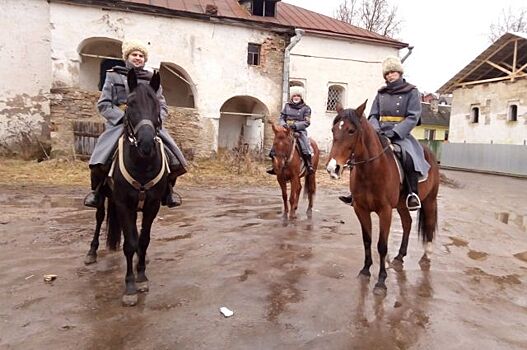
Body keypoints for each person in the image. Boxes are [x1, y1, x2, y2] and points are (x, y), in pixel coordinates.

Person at [84, 39, 187, 208]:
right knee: (102, 153)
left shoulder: (152, 79)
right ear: (127, 56)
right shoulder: (113, 75)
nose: (138, 58)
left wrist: (156, 121)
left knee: (173, 154)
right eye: (134, 54)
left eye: (141, 56)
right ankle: (97, 191)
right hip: (121, 123)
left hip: (147, 123)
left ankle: (168, 190)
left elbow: (162, 105)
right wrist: (122, 117)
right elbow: (104, 104)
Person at [338, 56, 430, 211]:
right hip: (379, 132)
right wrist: (376, 129)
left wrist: (396, 132)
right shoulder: (381, 93)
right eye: (387, 73)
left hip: (401, 134)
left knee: (407, 156)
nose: (390, 75)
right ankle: (355, 193)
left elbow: (413, 116)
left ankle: (412, 194)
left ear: (399, 72)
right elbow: (373, 114)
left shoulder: (412, 91)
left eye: (393, 72)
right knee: (360, 155)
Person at [267, 86, 314, 175]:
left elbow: (307, 122)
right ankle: (274, 165)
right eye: (294, 95)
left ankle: (309, 165)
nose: (296, 97)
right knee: (276, 144)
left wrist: (295, 125)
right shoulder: (287, 106)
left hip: (299, 131)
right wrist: (283, 124)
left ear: (301, 97)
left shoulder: (306, 108)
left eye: (298, 96)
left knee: (305, 146)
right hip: (285, 130)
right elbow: (282, 117)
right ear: (292, 97)